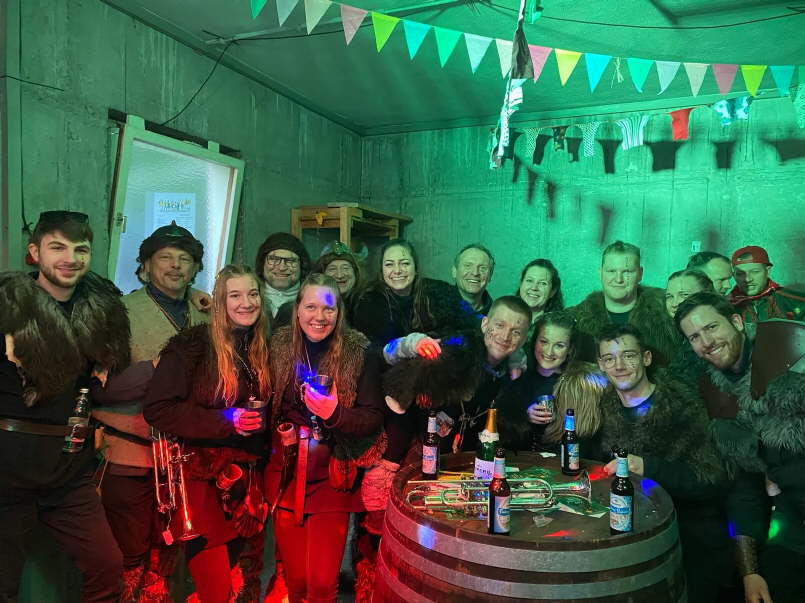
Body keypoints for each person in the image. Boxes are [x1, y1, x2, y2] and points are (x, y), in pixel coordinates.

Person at [1, 210, 130, 602]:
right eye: (57, 247)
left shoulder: (102, 312)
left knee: (107, 567)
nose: (70, 258)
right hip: (7, 469)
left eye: (80, 249)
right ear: (34, 252)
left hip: (68, 470)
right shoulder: (8, 308)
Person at [91, 222, 208, 601]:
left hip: (189, 458)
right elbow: (101, 390)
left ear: (195, 268)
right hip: (131, 457)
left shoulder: (207, 313)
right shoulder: (120, 313)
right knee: (128, 556)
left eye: (184, 259)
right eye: (164, 258)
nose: (175, 266)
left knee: (175, 558)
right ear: (144, 266)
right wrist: (159, 368)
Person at [143, 265, 271, 602]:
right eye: (235, 295)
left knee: (230, 585)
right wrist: (227, 420)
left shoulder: (260, 346)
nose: (246, 303)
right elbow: (158, 409)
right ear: (219, 302)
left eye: (253, 294)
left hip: (243, 485)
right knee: (215, 591)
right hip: (198, 484)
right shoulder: (191, 347)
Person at [677, 292, 805, 603]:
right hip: (792, 519)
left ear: (736, 321)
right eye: (694, 337)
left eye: (711, 327)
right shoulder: (716, 395)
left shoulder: (790, 356)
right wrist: (750, 571)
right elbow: (743, 488)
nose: (706, 342)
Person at [265, 273, 385, 603]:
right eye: (311, 307)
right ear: (297, 308)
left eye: (329, 308)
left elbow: (372, 418)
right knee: (296, 583)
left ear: (339, 311)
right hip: (285, 471)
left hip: (332, 475)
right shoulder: (277, 346)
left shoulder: (359, 351)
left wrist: (335, 413)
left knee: (321, 586)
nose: (319, 316)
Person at [594, 324, 731, 603]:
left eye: (628, 355)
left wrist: (647, 467)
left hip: (689, 540)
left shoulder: (680, 406)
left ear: (646, 358)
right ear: (600, 365)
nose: (619, 366)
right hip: (630, 539)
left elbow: (711, 479)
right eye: (609, 358)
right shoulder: (604, 405)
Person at [497, 311, 607, 455]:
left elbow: (588, 443)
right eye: (544, 342)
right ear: (534, 341)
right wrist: (523, 416)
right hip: (522, 462)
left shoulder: (582, 386)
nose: (549, 351)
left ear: (570, 349)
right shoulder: (517, 380)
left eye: (559, 345)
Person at [568, 240, 677, 365]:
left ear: (640, 274)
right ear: (600, 273)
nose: (619, 279)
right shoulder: (577, 320)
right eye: (611, 271)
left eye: (627, 272)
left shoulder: (668, 313)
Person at [350, 239, 475, 346]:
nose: (397, 270)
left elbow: (468, 324)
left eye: (405, 263)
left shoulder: (439, 291)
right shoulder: (369, 303)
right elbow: (373, 351)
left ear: (415, 268)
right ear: (381, 270)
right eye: (389, 265)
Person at [729, 245, 804, 323]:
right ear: (734, 275)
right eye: (740, 274)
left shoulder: (793, 300)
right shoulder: (726, 307)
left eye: (755, 272)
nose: (748, 279)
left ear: (767, 271)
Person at [255, 232, 312, 319]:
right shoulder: (249, 300)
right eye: (274, 259)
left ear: (302, 265)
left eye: (290, 261)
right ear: (262, 263)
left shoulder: (314, 299)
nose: (282, 267)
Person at [516, 258, 564, 343]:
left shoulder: (559, 329)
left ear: (553, 291)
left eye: (543, 283)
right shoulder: (504, 316)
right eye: (529, 280)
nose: (534, 287)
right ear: (521, 284)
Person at [313, 241, 362, 321]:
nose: (340, 275)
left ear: (355, 273)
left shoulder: (366, 304)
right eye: (332, 269)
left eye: (345, 268)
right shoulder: (311, 304)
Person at [451, 243, 495, 317]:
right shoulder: (434, 307)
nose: (475, 273)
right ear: (454, 271)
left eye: (482, 268)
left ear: (490, 276)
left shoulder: (495, 315)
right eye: (468, 266)